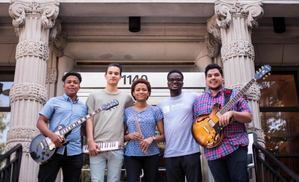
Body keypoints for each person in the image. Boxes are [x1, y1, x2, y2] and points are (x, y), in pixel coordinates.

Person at [193, 63, 252, 182]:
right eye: (209, 76)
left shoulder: (234, 94)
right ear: (206, 80)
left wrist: (233, 114)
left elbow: (249, 116)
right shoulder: (199, 100)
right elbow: (197, 123)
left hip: (235, 146)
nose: (213, 78)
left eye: (216, 75)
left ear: (222, 77)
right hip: (212, 151)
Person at [86, 63, 134, 182]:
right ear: (105, 75)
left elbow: (131, 118)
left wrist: (126, 136)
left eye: (116, 73)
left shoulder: (126, 98)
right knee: (96, 180)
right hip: (97, 145)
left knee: (114, 179)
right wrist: (90, 141)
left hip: (117, 146)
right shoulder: (94, 96)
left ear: (120, 77)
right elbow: (89, 119)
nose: (113, 75)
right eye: (110, 73)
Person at [37, 72, 87, 182]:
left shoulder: (84, 107)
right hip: (51, 150)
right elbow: (40, 122)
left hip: (75, 152)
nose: (72, 84)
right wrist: (52, 136)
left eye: (75, 82)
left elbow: (84, 129)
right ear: (64, 85)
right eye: (69, 82)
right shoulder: (54, 101)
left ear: (79, 86)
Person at [158, 70, 202, 182]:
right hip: (170, 153)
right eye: (172, 79)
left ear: (183, 83)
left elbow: (212, 98)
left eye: (178, 79)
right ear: (167, 83)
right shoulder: (161, 105)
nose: (175, 81)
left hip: (191, 152)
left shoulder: (193, 97)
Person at [124, 78, 164, 182]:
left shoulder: (155, 110)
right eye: (137, 90)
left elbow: (163, 135)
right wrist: (129, 136)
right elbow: (121, 136)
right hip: (131, 154)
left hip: (151, 153)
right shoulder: (127, 111)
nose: (141, 91)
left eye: (144, 89)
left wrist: (152, 138)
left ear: (148, 93)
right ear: (133, 93)